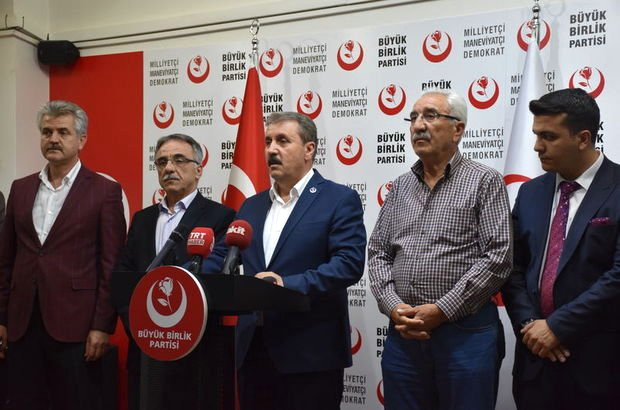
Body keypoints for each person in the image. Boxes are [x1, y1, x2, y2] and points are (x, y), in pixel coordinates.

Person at [203, 111, 366, 410]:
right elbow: (224, 255)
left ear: (309, 149)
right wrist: (189, 277)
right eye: (267, 142)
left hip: (310, 353)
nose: (271, 150)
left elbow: (348, 263)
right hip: (253, 350)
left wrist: (285, 286)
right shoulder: (251, 206)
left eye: (282, 141)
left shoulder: (338, 199)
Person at [368, 90, 512, 410]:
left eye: (430, 116)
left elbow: (498, 257)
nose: (418, 125)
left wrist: (442, 310)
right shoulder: (400, 186)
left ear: (457, 129)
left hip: (465, 335)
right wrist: (393, 306)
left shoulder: (484, 180)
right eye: (413, 117)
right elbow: (378, 252)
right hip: (404, 337)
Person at [0, 100, 126, 410]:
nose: (53, 139)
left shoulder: (104, 191)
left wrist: (102, 326)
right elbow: (6, 260)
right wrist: (1, 319)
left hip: (76, 327)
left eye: (63, 132)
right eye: (47, 132)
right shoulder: (20, 188)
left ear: (81, 140)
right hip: (22, 324)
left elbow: (111, 265)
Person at [502, 88, 620, 409]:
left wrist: (557, 327)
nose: (537, 146)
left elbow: (617, 276)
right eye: (536, 135)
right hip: (535, 363)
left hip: (599, 365)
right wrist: (530, 327)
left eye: (549, 137)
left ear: (583, 138)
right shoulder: (530, 192)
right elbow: (511, 267)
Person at [114, 133, 235, 410]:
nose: (169, 167)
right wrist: (139, 327)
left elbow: (214, 276)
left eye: (179, 160)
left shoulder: (220, 217)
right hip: (146, 347)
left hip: (197, 350)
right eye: (162, 162)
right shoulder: (142, 219)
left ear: (198, 169)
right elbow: (124, 276)